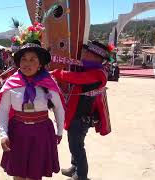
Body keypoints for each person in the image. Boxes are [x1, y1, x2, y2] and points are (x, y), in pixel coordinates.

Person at [0, 22, 66, 180]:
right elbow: (3, 111)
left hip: (41, 133)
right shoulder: (11, 83)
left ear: (40, 64)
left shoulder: (48, 83)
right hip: (18, 133)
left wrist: (59, 132)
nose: (27, 63)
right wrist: (3, 134)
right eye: (24, 59)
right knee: (18, 175)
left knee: (34, 175)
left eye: (33, 59)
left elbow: (58, 108)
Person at [52, 41, 112, 180]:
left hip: (81, 117)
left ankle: (81, 175)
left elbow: (76, 78)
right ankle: (75, 167)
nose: (84, 55)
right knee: (73, 144)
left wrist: (57, 73)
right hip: (75, 114)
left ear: (97, 58)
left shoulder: (98, 74)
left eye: (87, 54)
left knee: (77, 147)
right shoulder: (90, 69)